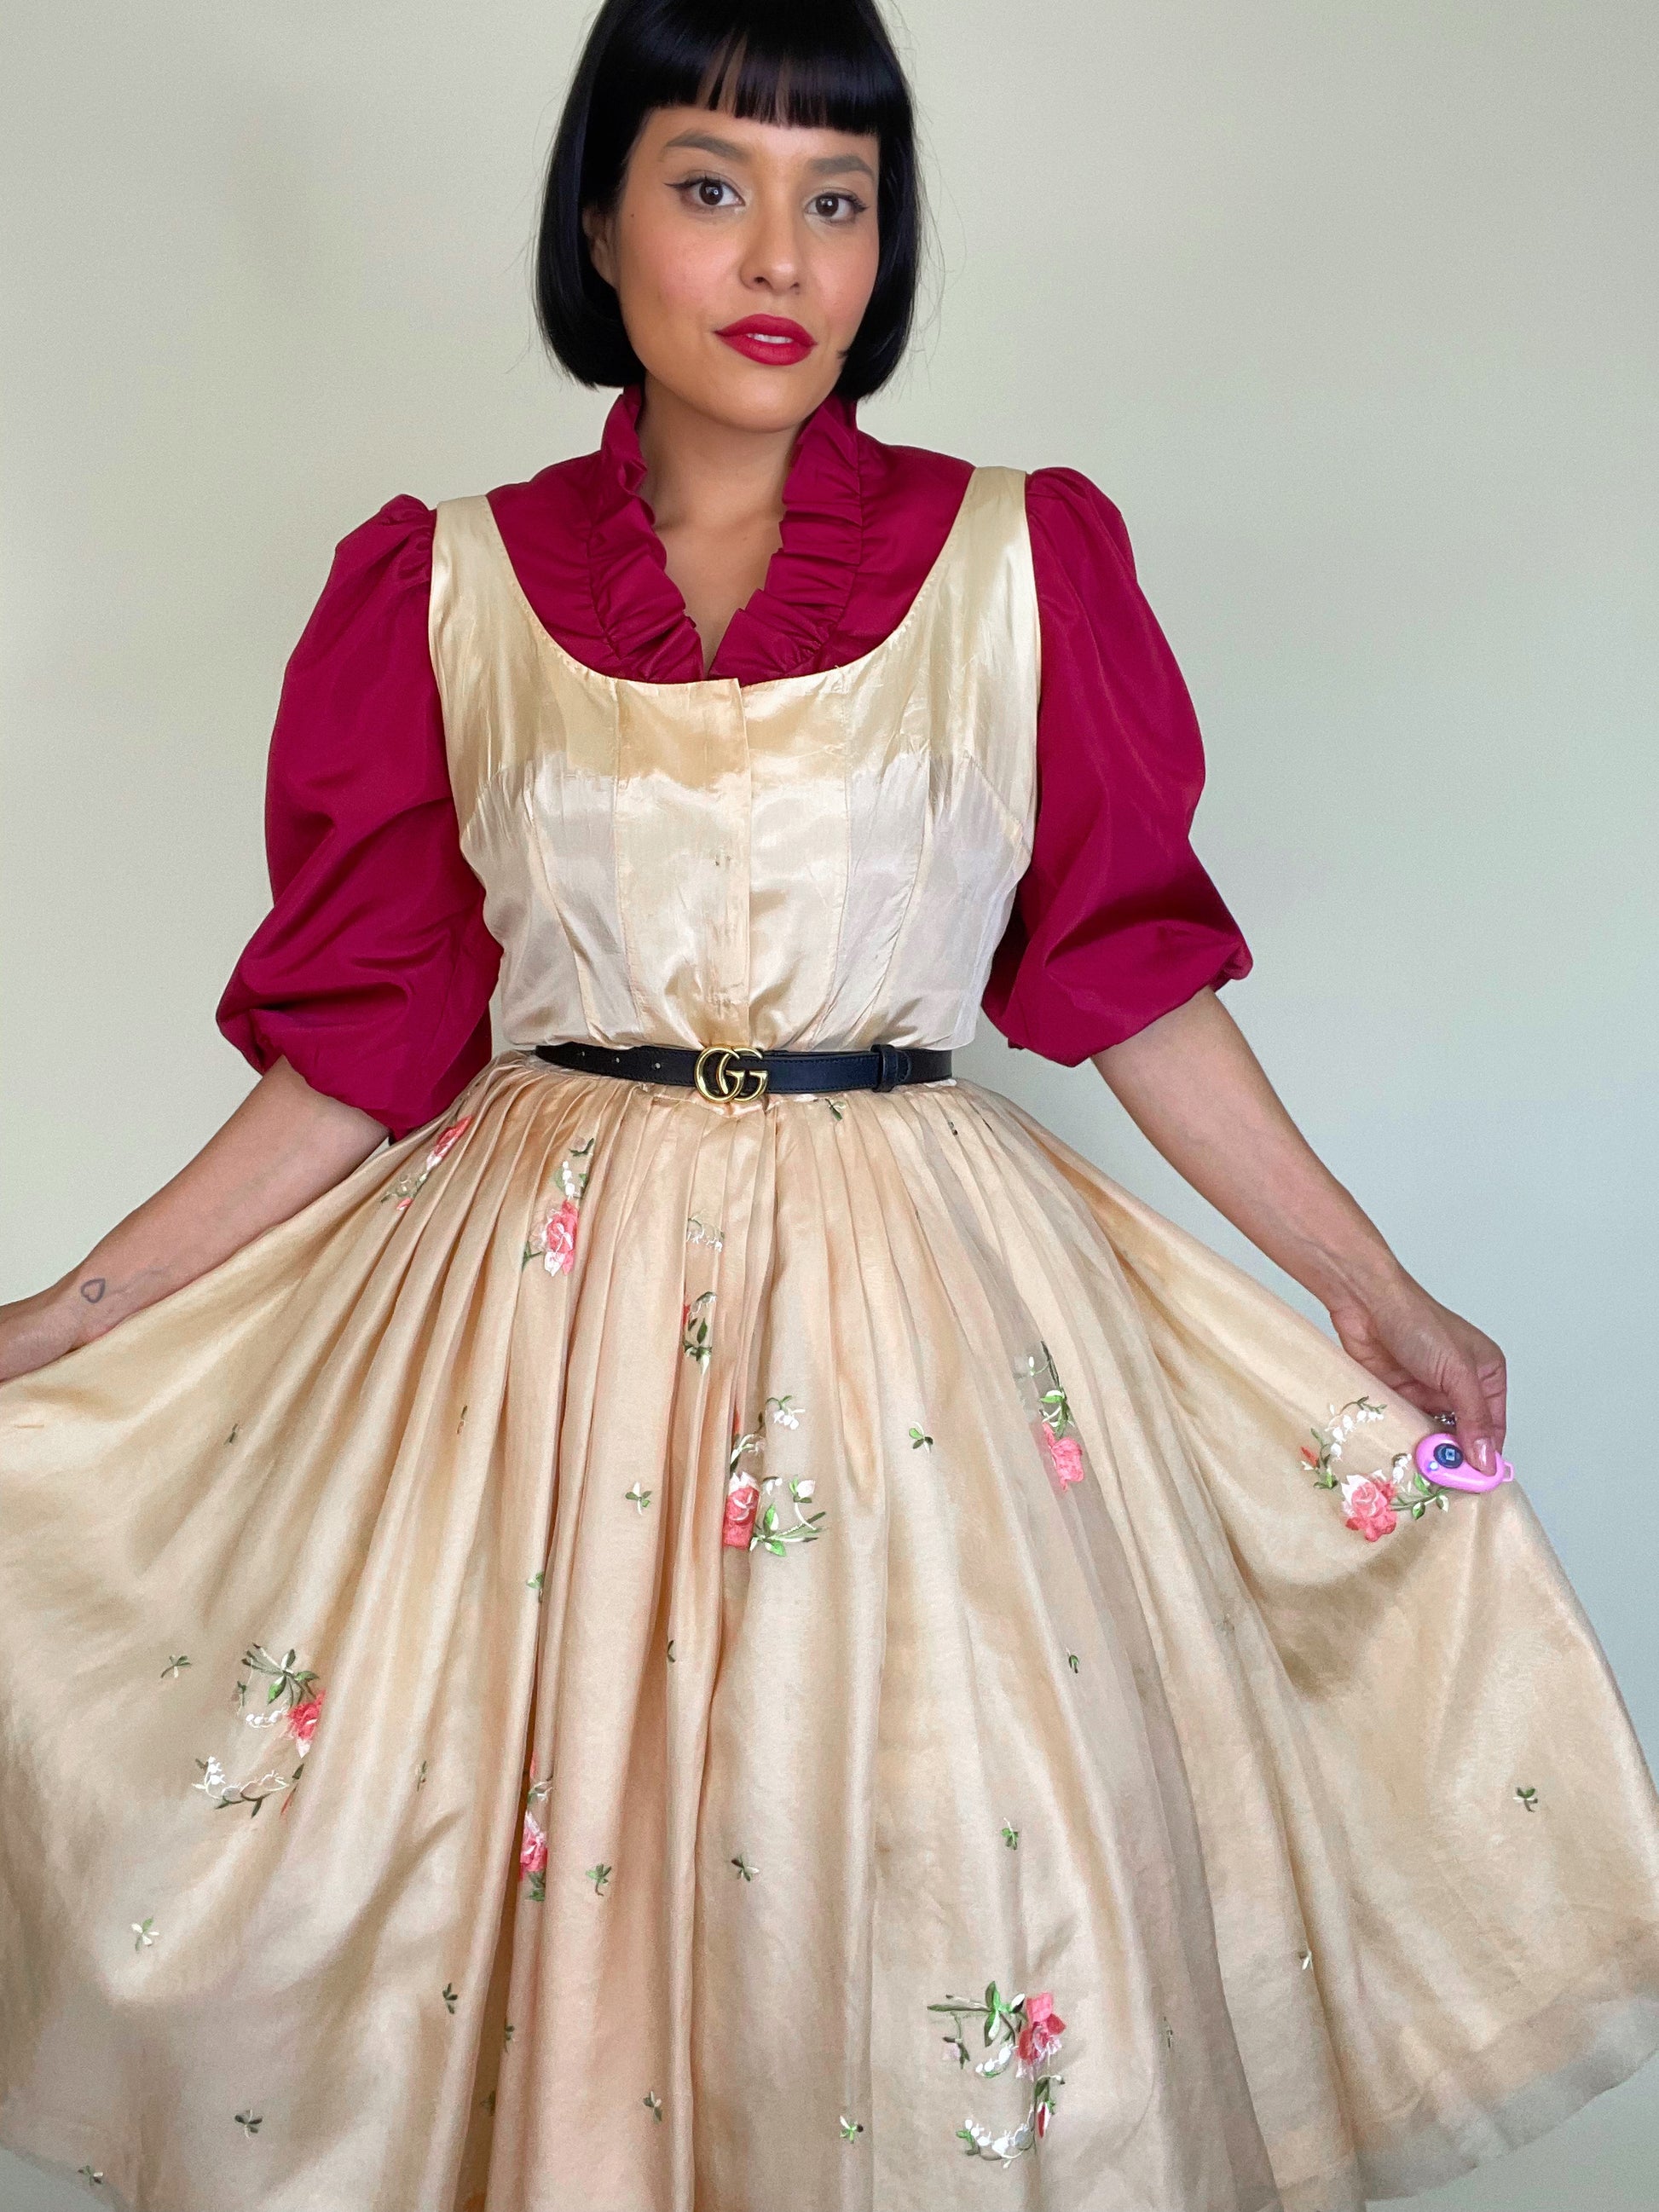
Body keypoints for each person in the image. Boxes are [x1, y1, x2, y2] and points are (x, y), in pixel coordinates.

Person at [3, 3, 1656, 2207]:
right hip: (536, 1330)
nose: (784, 253)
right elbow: (365, 1045)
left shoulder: (1019, 560)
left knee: (942, 1854)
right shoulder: (443, 584)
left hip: (914, 1333)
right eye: (711, 185)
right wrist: (72, 1315)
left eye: (840, 197)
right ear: (598, 226)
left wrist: (1373, 1288)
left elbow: (1130, 978)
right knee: (473, 1846)